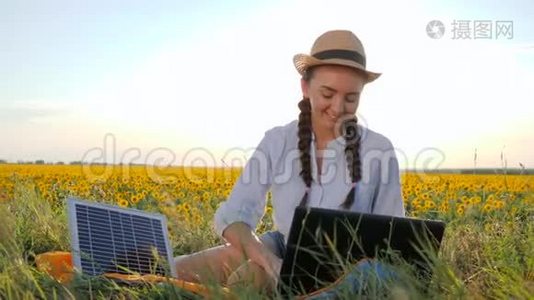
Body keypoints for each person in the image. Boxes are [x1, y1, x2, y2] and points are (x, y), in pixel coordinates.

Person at [174, 29, 405, 292]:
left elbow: (393, 240)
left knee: (247, 281)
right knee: (183, 269)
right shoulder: (278, 140)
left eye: (351, 98)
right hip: (283, 247)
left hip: (350, 266)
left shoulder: (379, 149)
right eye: (328, 94)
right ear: (305, 87)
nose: (338, 107)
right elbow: (234, 216)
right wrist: (268, 259)